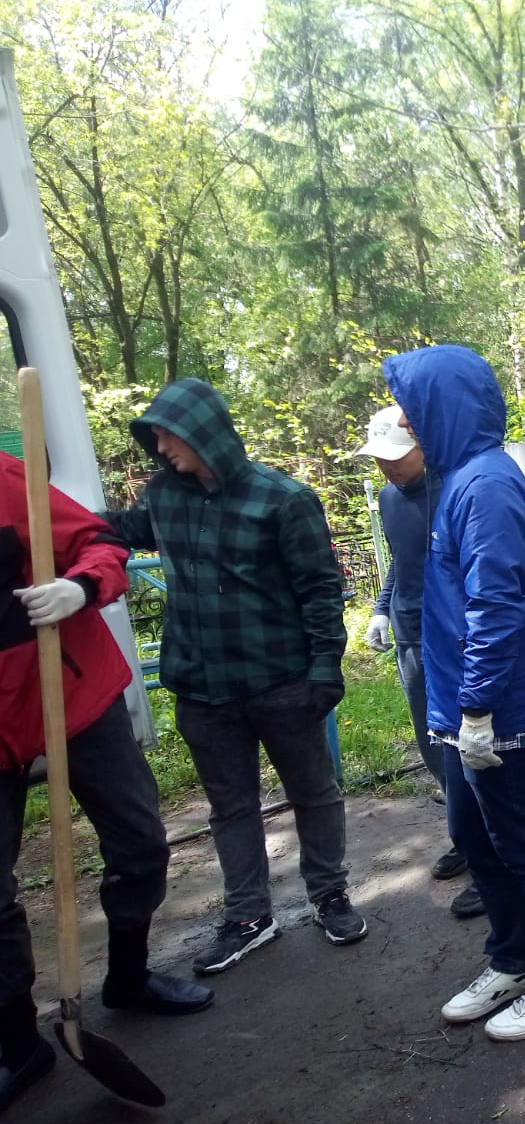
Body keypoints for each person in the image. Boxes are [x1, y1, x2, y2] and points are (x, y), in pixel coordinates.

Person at [101, 379, 365, 975]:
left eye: (168, 435)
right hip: (202, 689)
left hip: (283, 682)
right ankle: (249, 916)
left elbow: (320, 591)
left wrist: (325, 669)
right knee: (230, 806)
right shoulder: (164, 496)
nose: (161, 447)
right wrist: (47, 516)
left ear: (202, 433)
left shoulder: (283, 500)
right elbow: (121, 528)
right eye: (155, 436)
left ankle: (329, 894)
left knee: (314, 792)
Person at [383, 344, 525, 1042]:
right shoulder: (458, 480)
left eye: (412, 410)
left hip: (498, 704)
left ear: (442, 407)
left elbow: (496, 604)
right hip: (464, 700)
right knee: (474, 833)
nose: (405, 424)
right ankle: (514, 955)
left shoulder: (485, 486)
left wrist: (477, 706)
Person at [2, 452, 213, 1117]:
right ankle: (17, 1042)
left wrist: (80, 587)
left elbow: (101, 542)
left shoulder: (6, 480)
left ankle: (127, 976)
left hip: (73, 691)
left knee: (140, 842)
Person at [356, 406, 482, 920]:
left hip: (453, 636)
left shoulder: (455, 491)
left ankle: (491, 856)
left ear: (422, 447)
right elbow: (401, 561)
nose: (387, 466)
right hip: (410, 634)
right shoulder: (389, 499)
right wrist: (381, 609)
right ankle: (466, 838)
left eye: (396, 456)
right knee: (432, 743)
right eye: (379, 458)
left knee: (467, 746)